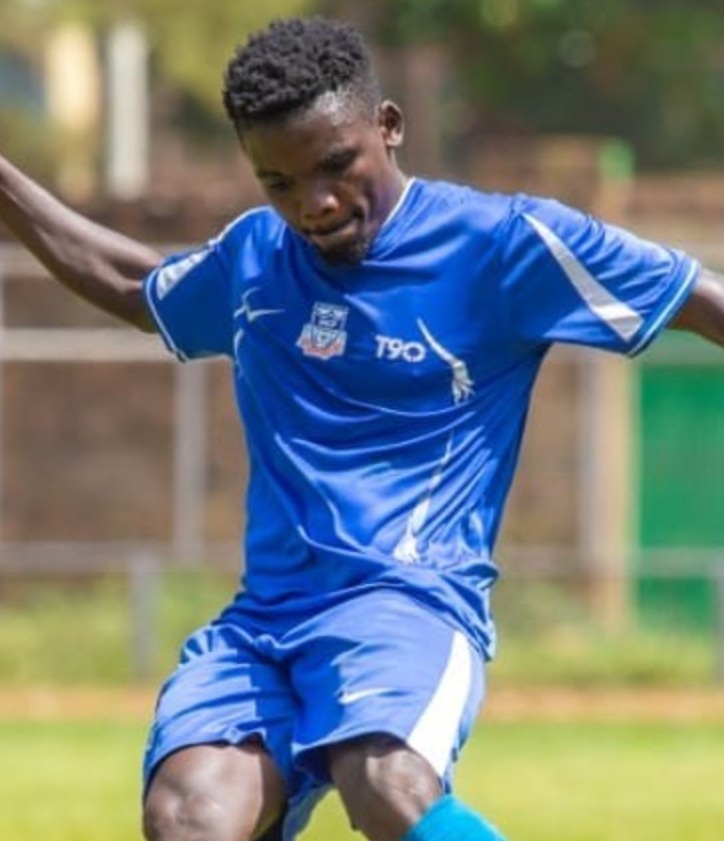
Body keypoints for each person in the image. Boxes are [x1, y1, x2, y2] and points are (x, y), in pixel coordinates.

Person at [1, 14, 724, 841]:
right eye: (278, 182)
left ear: (389, 125)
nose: (314, 204)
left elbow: (701, 297)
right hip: (267, 622)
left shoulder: (500, 245)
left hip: (407, 602)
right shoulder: (255, 257)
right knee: (188, 813)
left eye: (336, 165)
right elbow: (138, 286)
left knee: (384, 777)